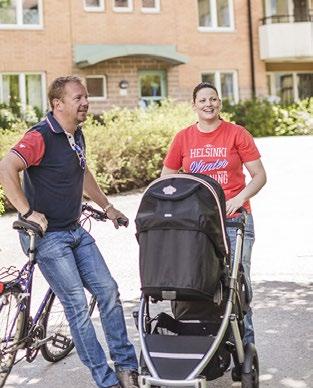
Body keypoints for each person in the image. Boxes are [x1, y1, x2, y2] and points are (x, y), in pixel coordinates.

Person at [0, 76, 138, 388]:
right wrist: (27, 212)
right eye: (78, 98)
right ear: (57, 104)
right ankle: (107, 381)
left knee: (109, 292)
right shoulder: (41, 135)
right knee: (76, 304)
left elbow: (82, 170)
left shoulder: (76, 134)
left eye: (86, 96)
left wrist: (107, 207)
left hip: (74, 229)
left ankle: (127, 369)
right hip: (46, 237)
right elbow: (5, 168)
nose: (85, 102)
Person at [161, 82, 267, 345]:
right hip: (196, 222)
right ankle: (210, 341)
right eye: (203, 100)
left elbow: (259, 176)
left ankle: (245, 345)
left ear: (219, 103)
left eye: (213, 99)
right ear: (194, 105)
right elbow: (167, 178)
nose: (208, 104)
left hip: (234, 219)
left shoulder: (237, 134)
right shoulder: (183, 138)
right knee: (200, 280)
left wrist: (239, 198)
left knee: (236, 281)